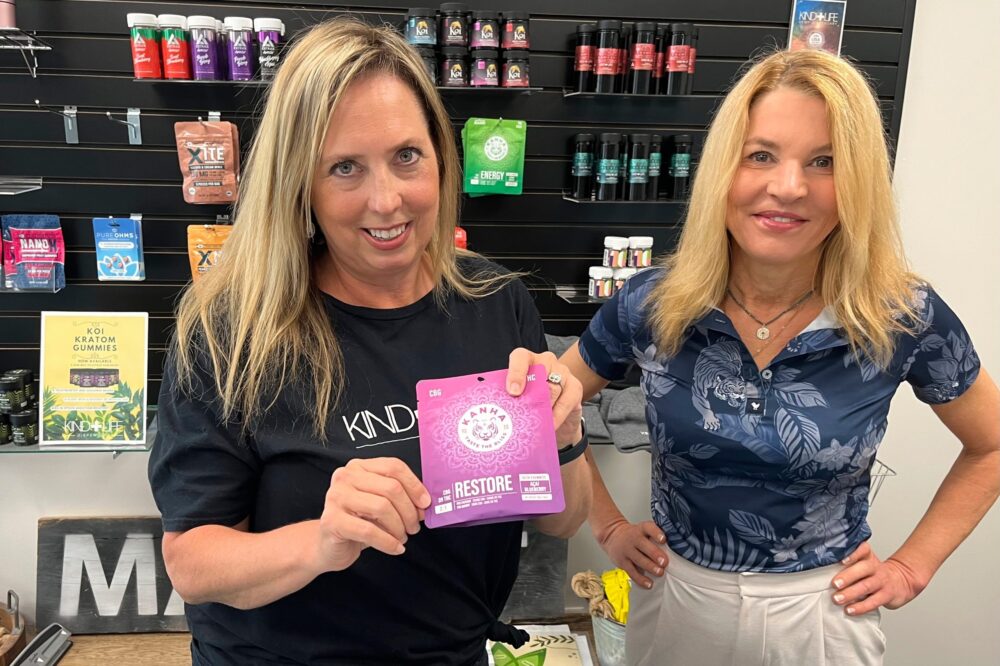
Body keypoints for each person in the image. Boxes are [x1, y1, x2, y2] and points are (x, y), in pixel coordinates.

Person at [147, 19, 592, 666]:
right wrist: (321, 541)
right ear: (300, 184)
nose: (386, 201)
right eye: (345, 168)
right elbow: (192, 563)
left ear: (441, 157)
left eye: (407, 156)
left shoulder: (496, 303)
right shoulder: (231, 332)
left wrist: (566, 434)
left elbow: (562, 520)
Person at [560, 48, 1000, 665]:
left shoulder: (900, 314)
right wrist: (607, 525)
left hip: (822, 612)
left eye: (825, 161)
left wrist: (911, 567)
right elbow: (548, 412)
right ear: (723, 168)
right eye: (760, 155)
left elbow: (992, 445)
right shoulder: (653, 303)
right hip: (676, 597)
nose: (788, 187)